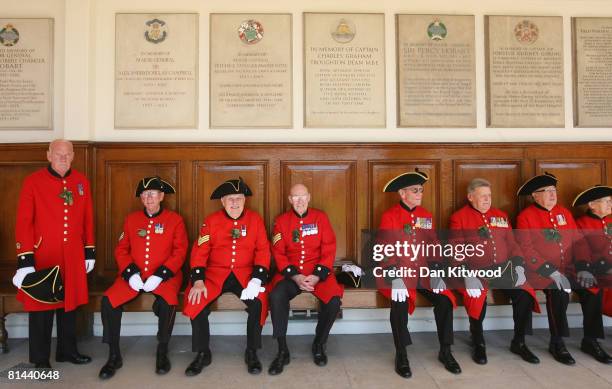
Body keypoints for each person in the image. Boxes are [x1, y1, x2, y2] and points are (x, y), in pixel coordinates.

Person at [12, 139, 95, 368]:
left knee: (70, 305)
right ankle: (40, 359)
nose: (63, 157)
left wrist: (89, 251)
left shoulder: (81, 182)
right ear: (48, 155)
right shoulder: (33, 182)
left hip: (73, 255)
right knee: (41, 307)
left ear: (73, 156)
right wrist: (25, 259)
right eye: (58, 153)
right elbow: (24, 223)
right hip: (43, 254)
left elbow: (87, 218)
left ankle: (67, 351)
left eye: (67, 154)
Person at [98, 177, 188, 379]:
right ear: (141, 198)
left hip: (165, 276)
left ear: (161, 196)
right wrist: (130, 273)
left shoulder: (175, 220)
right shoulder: (132, 220)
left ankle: (162, 350)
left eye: (153, 193)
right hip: (134, 275)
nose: (149, 198)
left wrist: (161, 274)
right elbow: (121, 249)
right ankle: (113, 354)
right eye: (145, 194)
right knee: (108, 302)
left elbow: (180, 252)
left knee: (168, 303)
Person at [377, 170, 461, 378]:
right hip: (398, 272)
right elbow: (384, 249)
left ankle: (446, 350)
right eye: (415, 190)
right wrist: (394, 277)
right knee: (399, 302)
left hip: (423, 273)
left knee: (445, 300)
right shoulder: (390, 216)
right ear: (402, 193)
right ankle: (401, 354)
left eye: (421, 190)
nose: (419, 194)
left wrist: (436, 273)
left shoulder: (425, 215)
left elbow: (432, 247)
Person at [183, 177, 270, 376]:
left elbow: (263, 250)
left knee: (258, 303)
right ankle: (203, 353)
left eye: (239, 198)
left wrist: (257, 279)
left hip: (245, 275)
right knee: (197, 300)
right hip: (215, 274)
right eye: (230, 199)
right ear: (222, 201)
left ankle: (252, 351)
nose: (235, 203)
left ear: (245, 200)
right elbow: (200, 251)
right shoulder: (211, 221)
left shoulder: (255, 219)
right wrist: (198, 280)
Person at [449, 178, 540, 365]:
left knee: (524, 292)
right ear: (470, 197)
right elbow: (456, 248)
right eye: (483, 196)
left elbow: (513, 244)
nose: (487, 200)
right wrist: (467, 274)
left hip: (503, 270)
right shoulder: (459, 217)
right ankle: (478, 341)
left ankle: (519, 342)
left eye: (489, 196)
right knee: (475, 294)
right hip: (476, 271)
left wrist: (519, 266)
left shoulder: (500, 215)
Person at [267, 184, 343, 375]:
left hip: (318, 274)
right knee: (276, 296)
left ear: (309, 197)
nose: (299, 201)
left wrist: (317, 275)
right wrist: (295, 275)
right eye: (295, 197)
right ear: (290, 199)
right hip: (291, 274)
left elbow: (329, 248)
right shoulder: (281, 221)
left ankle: (319, 343)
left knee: (333, 301)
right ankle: (282, 350)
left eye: (303, 196)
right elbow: (278, 252)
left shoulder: (320, 217)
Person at [516, 172, 584, 365]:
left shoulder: (564, 213)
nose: (552, 194)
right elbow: (527, 251)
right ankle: (558, 343)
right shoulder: (526, 217)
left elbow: (579, 241)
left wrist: (581, 267)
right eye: (546, 191)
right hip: (539, 271)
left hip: (567, 268)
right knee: (559, 290)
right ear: (535, 196)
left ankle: (590, 340)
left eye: (554, 190)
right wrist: (552, 272)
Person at [571, 185, 612, 364]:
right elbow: (581, 250)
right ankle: (590, 340)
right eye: (607, 201)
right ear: (592, 204)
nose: (611, 204)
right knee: (592, 289)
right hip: (591, 269)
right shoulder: (581, 223)